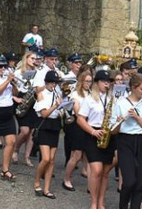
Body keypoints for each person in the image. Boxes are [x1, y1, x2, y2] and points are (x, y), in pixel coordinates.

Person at [112, 73, 142, 209]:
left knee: (139, 182)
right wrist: (119, 122)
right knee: (129, 181)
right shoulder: (120, 103)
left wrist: (137, 118)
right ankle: (123, 206)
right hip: (125, 141)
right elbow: (113, 131)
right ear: (133, 88)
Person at [78, 69, 117, 209]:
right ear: (97, 83)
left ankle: (101, 202)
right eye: (104, 81)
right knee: (96, 170)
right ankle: (93, 202)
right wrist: (93, 131)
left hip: (108, 135)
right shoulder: (89, 99)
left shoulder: (113, 99)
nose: (107, 84)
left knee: (105, 172)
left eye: (109, 82)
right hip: (93, 134)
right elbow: (80, 119)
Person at [33, 69, 64, 198]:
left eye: (55, 83)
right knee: (45, 158)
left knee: (51, 160)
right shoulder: (41, 94)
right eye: (51, 82)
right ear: (46, 82)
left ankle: (46, 188)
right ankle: (36, 181)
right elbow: (44, 114)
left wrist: (62, 110)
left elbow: (58, 112)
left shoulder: (58, 93)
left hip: (55, 126)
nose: (54, 85)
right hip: (44, 126)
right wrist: (56, 106)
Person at [63, 70, 92, 191]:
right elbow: (77, 112)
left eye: (90, 81)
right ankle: (66, 179)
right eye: (86, 81)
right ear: (81, 81)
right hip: (79, 126)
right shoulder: (75, 94)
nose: (89, 84)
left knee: (91, 156)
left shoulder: (91, 93)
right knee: (77, 155)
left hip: (90, 124)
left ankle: (91, 184)